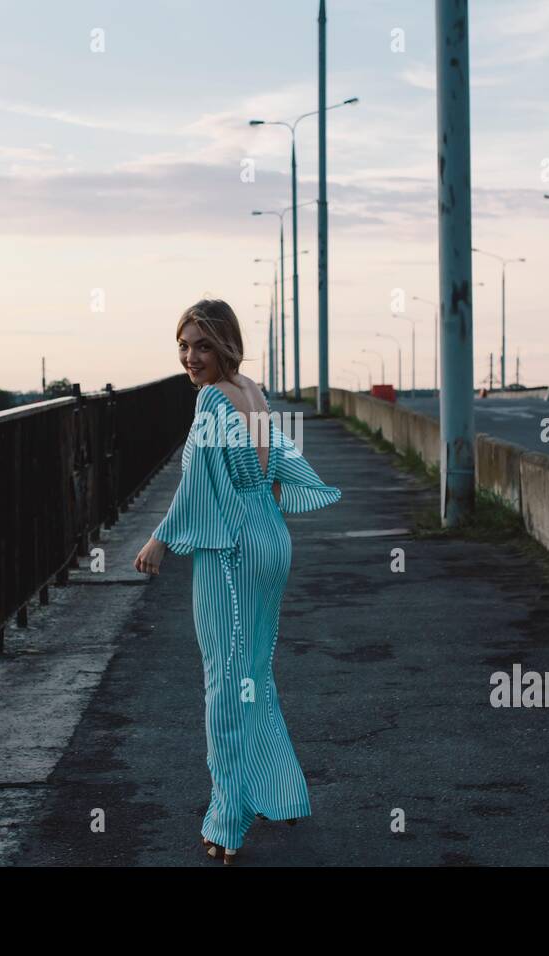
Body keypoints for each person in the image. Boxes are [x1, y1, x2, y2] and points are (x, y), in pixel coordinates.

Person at [133, 298, 342, 863]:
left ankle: (227, 821)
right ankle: (274, 792)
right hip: (270, 541)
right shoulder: (252, 390)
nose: (190, 357)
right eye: (183, 345)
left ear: (225, 343)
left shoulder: (210, 400)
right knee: (251, 672)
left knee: (225, 684)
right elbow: (275, 469)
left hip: (232, 555)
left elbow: (198, 485)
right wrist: (264, 526)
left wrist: (159, 540)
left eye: (202, 344)